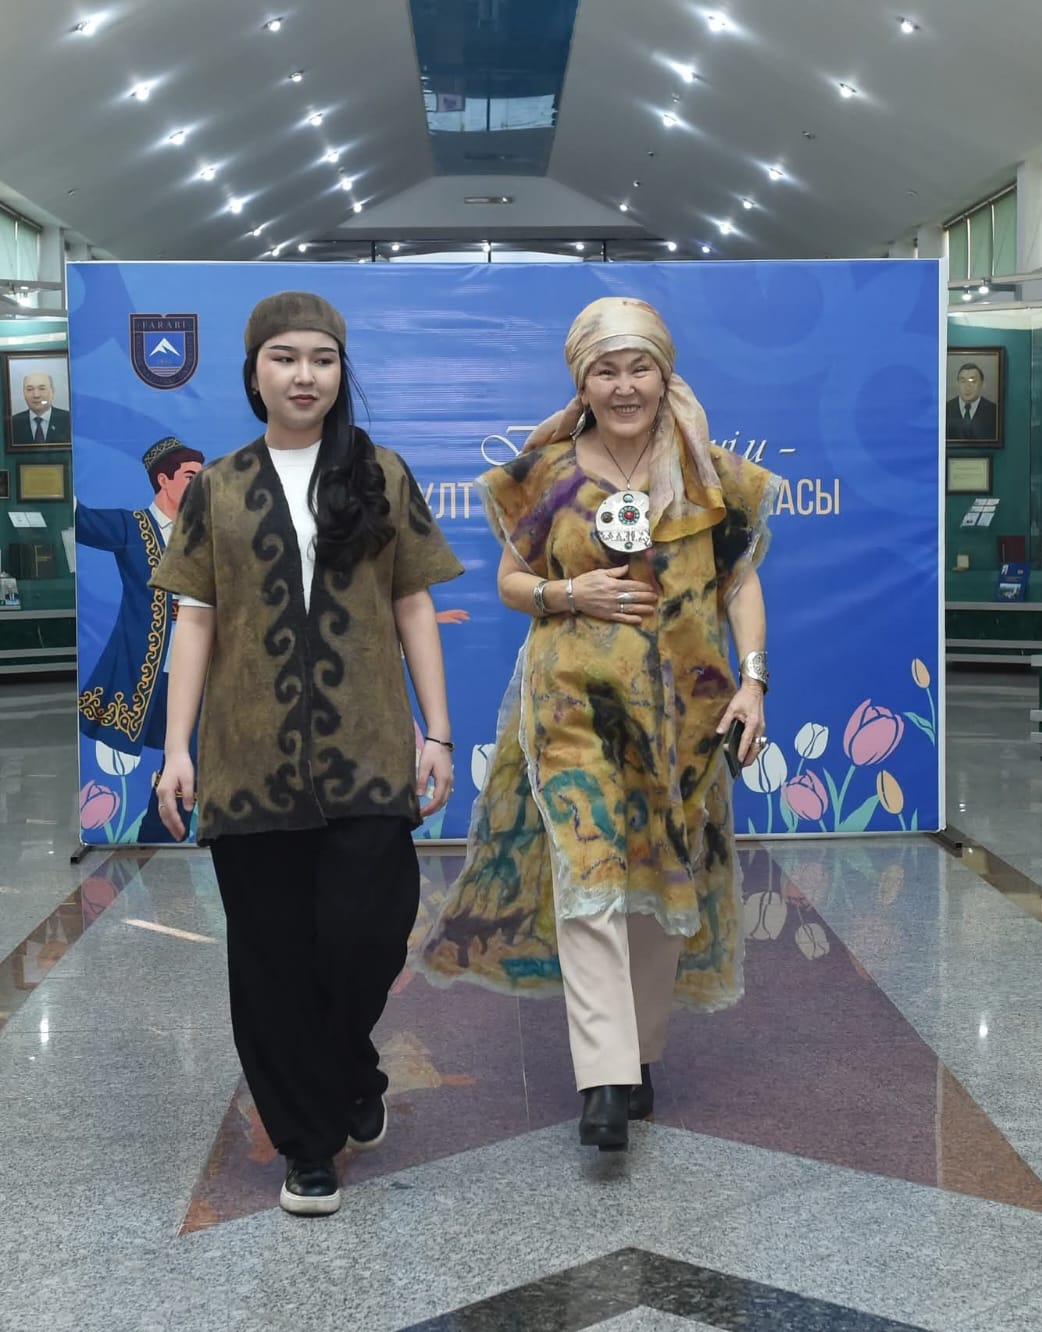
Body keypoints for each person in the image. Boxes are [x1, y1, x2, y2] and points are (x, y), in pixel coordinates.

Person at [421, 296, 778, 1154]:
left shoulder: (711, 476)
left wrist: (753, 683)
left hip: (684, 715)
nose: (624, 386)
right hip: (571, 705)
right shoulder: (544, 476)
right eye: (605, 371)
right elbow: (511, 581)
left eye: (638, 367)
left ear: (664, 374)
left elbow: (738, 585)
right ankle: (605, 1079)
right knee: (590, 872)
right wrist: (566, 592)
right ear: (581, 383)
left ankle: (639, 1053)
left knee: (656, 882)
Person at [150, 291, 464, 1216]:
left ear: (340, 371)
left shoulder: (381, 473)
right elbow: (195, 619)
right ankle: (307, 1144)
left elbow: (413, 604)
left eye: (322, 359)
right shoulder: (216, 488)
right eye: (283, 357)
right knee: (271, 958)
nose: (304, 375)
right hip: (247, 760)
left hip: (368, 750)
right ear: (254, 373)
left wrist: (438, 732)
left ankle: (351, 1064)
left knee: (370, 930)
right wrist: (176, 747)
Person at [77, 436, 206, 842]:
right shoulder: (131, 526)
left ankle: (165, 831)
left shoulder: (204, 534)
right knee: (141, 753)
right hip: (145, 671)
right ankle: (156, 833)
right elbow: (80, 519)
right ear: (164, 480)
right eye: (191, 477)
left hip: (198, 667)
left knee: (195, 751)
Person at [11, 371, 71, 445]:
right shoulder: (12, 423)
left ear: (52, 392)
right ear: (23, 393)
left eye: (42, 389)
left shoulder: (69, 420)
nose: (36, 395)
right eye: (30, 389)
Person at [946, 362, 999, 442]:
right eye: (963, 381)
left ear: (982, 384)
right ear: (957, 384)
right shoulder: (946, 409)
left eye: (973, 381)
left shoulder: (994, 411)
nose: (967, 386)